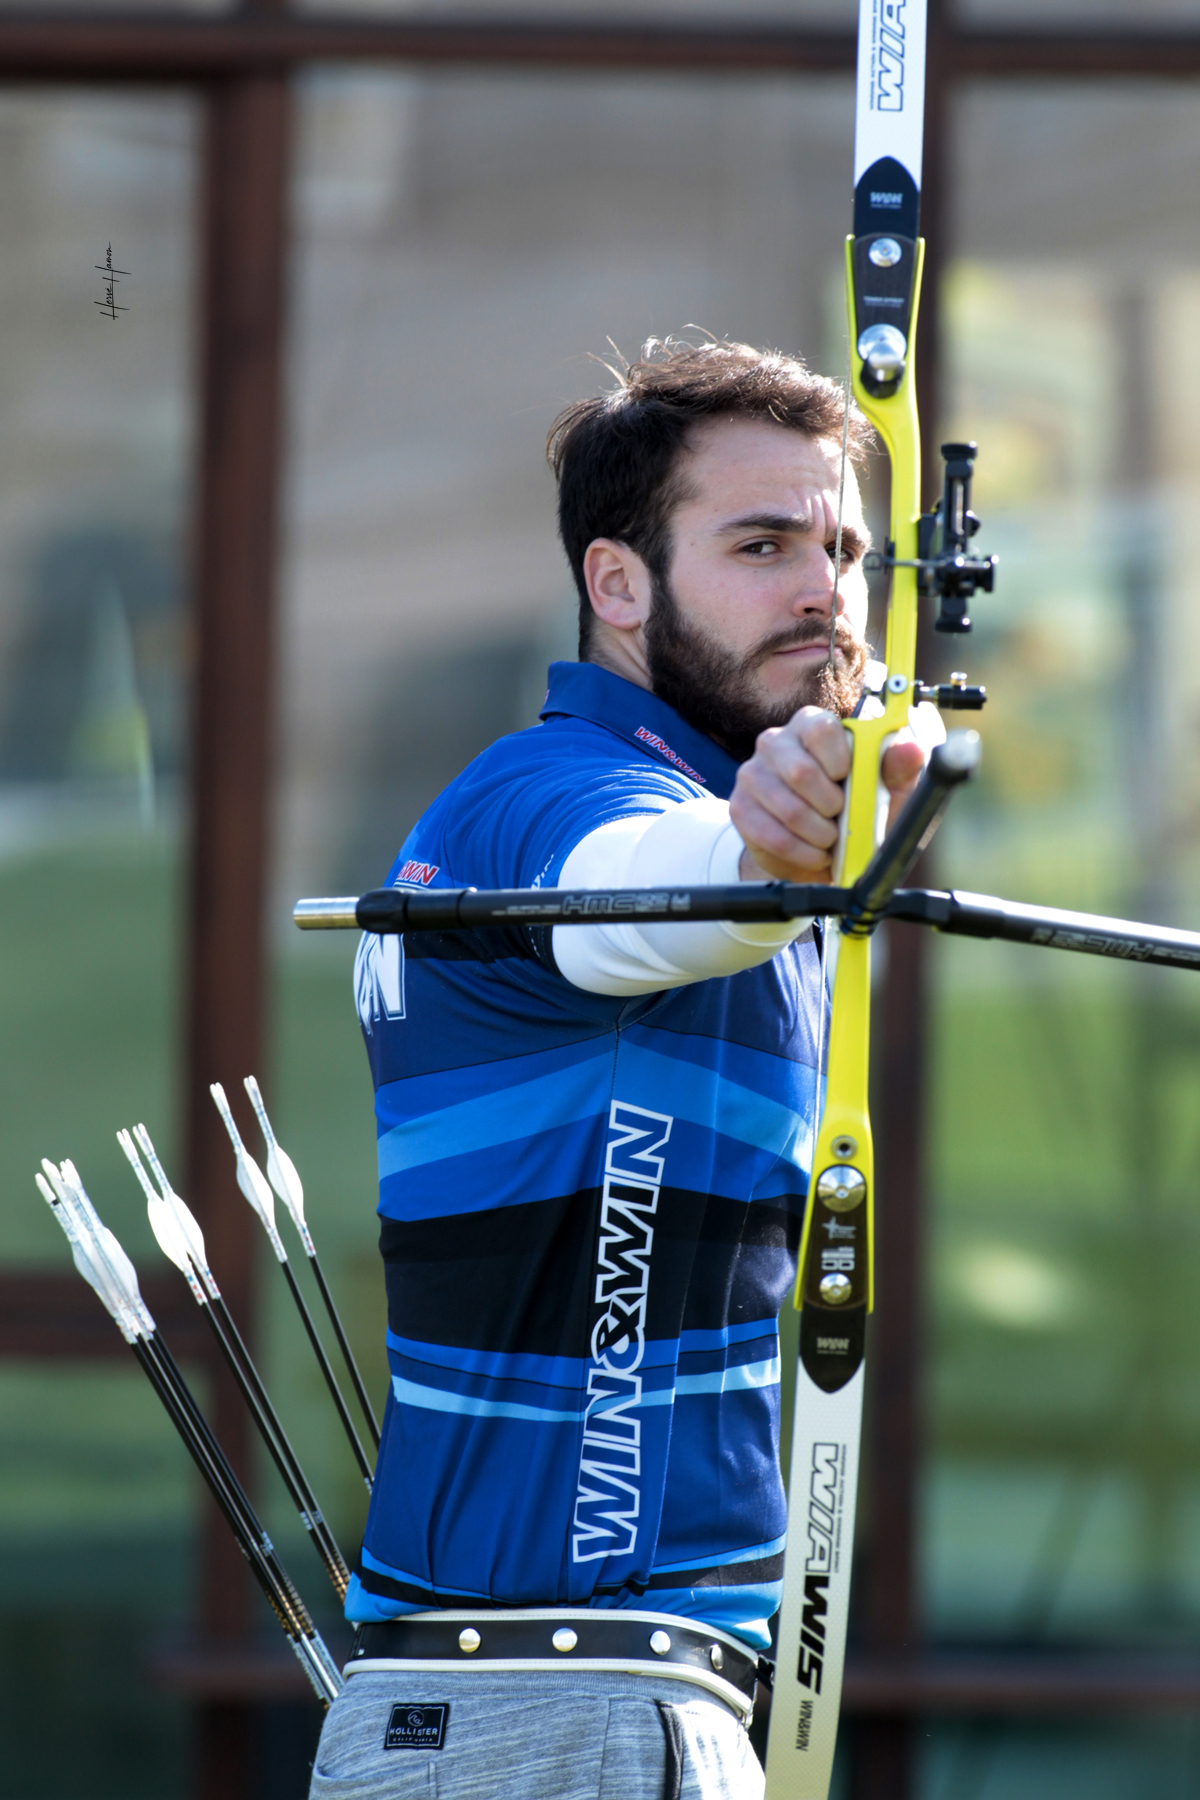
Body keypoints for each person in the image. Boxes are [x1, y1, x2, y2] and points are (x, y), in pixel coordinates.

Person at [309, 338, 929, 1800]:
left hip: (609, 1702)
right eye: (761, 544)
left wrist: (809, 845)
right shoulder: (540, 799)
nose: (822, 590)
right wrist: (766, 846)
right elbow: (641, 896)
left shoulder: (759, 866)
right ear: (619, 584)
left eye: (841, 548)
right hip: (555, 1710)